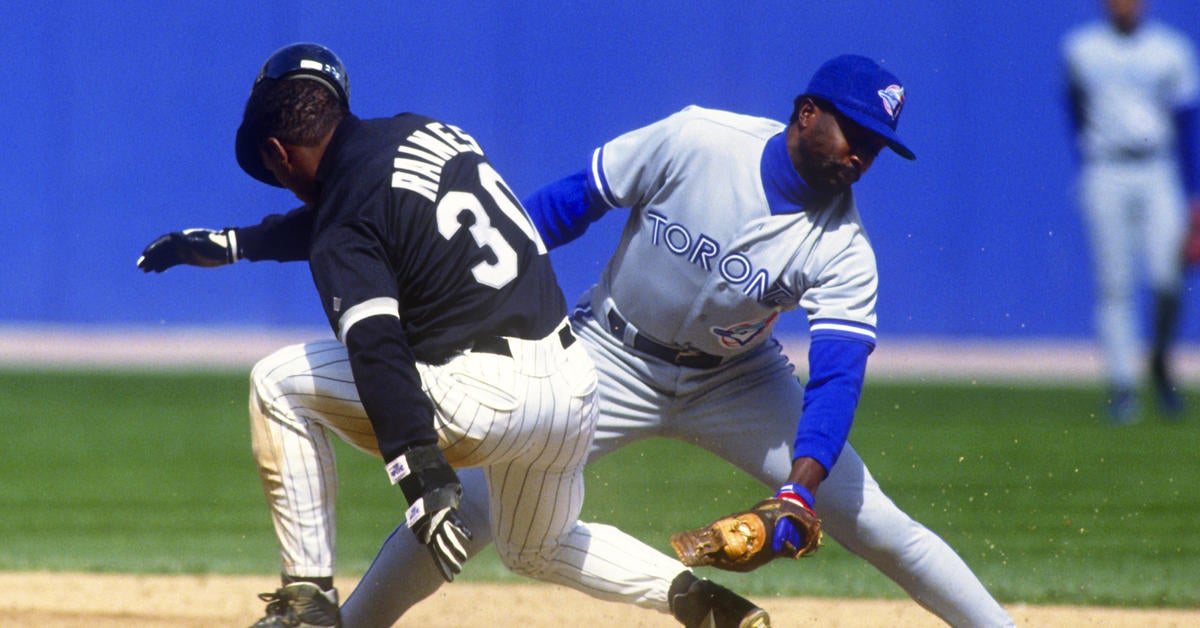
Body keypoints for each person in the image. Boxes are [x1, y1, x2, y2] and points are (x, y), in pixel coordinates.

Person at [333, 54, 1017, 627]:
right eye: (855, 131)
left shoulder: (845, 248)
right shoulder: (699, 140)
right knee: (476, 503)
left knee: (878, 525)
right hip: (605, 353)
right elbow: (567, 205)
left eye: (878, 145)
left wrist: (801, 492)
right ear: (808, 112)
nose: (863, 154)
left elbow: (837, 377)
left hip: (738, 380)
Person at [138, 42, 768, 628]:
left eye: (271, 167)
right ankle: (702, 602)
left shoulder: (343, 226)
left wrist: (421, 472)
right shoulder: (420, 133)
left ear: (278, 154)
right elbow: (370, 209)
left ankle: (307, 598)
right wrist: (237, 245)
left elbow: (377, 345)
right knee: (537, 545)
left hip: (483, 398)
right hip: (574, 385)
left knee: (276, 385)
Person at [1062, 0, 1200, 423]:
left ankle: (1159, 359)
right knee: (1114, 283)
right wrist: (1088, 158)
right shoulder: (1082, 47)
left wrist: (1195, 193)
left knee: (1166, 276)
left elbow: (1187, 121)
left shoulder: (1169, 49)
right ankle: (1122, 385)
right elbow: (1076, 108)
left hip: (1157, 168)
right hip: (1107, 167)